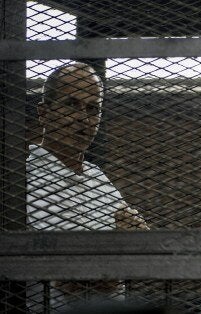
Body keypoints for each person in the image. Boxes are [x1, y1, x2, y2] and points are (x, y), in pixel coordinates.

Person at [26, 63, 148, 310]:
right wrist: (116, 255)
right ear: (44, 112)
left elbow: (144, 247)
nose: (83, 117)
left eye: (93, 109)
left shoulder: (97, 177)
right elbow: (68, 279)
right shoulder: (27, 178)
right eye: (72, 104)